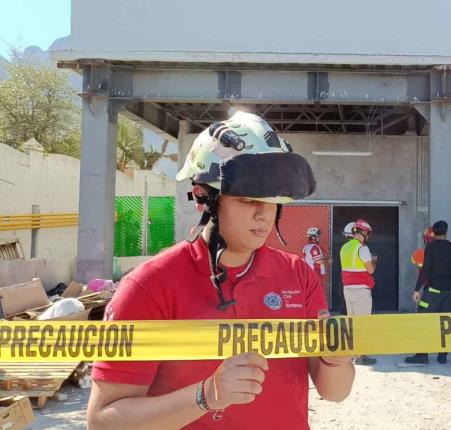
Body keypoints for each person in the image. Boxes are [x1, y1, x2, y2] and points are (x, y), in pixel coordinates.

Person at [87, 112, 355, 430]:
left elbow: (335, 392)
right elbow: (103, 421)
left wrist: (335, 359)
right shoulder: (149, 286)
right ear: (204, 197)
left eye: (272, 200)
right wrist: (208, 395)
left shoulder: (297, 275)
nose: (264, 213)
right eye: (247, 199)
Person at [405, 220, 451, 365]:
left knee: (423, 320)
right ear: (446, 232)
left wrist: (417, 289)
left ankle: (422, 354)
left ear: (433, 233)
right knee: (446, 324)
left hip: (432, 292)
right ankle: (443, 356)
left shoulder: (430, 248)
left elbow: (426, 270)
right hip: (448, 293)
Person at [340, 219, 377, 365]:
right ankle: (361, 356)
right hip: (361, 289)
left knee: (352, 322)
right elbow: (370, 270)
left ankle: (353, 353)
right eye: (367, 233)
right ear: (363, 232)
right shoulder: (363, 249)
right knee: (363, 323)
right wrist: (374, 260)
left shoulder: (344, 248)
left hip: (347, 289)